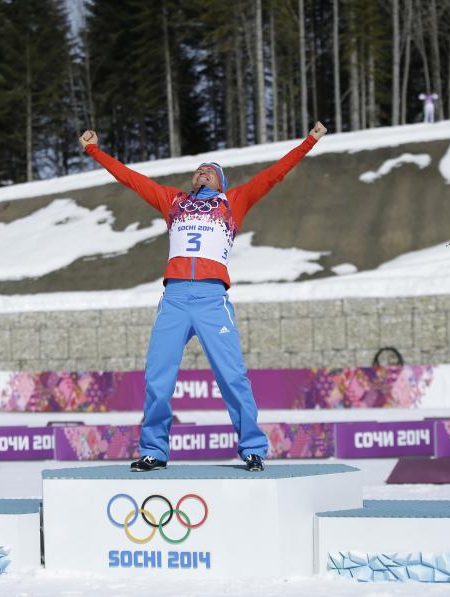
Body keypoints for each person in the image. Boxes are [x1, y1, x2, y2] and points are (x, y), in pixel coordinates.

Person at [79, 122, 327, 472]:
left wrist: (309, 142)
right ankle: (154, 451)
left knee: (233, 376)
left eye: (210, 171)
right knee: (157, 378)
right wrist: (94, 151)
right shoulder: (173, 201)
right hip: (175, 299)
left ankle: (253, 448)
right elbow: (131, 179)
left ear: (220, 183)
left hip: (212, 299)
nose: (201, 172)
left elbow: (274, 174)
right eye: (198, 170)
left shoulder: (233, 202)